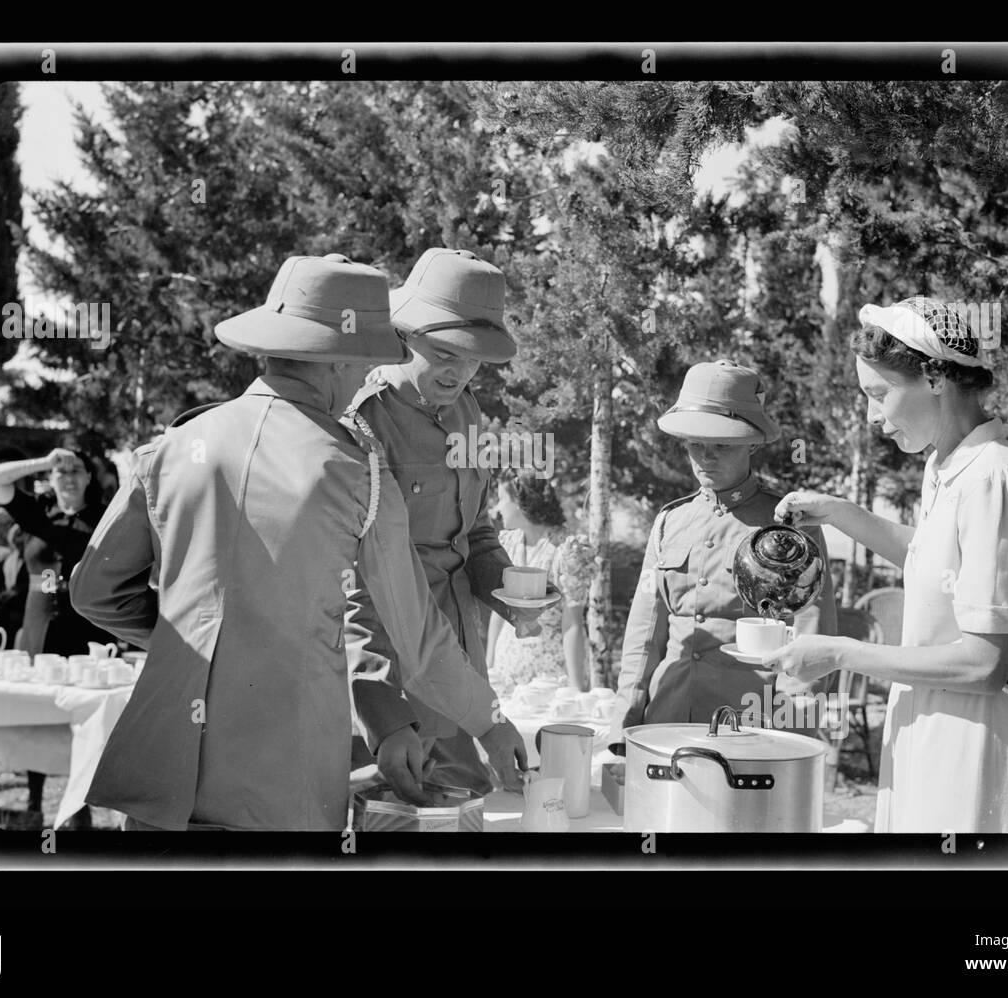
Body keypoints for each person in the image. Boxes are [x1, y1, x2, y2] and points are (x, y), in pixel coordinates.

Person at [69, 252, 528, 830]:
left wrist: (197, 649)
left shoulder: (173, 446)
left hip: (163, 774)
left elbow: (93, 593)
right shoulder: (358, 470)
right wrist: (490, 720)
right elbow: (419, 638)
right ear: (342, 361)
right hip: (284, 781)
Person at [767, 296, 1008, 833]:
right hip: (926, 725)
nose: (872, 416)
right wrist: (839, 514)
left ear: (936, 378)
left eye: (880, 394)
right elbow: (936, 564)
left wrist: (840, 653)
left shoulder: (996, 477)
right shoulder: (947, 469)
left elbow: (984, 664)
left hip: (973, 741)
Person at [345, 248, 555, 800]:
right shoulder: (364, 417)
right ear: (403, 334)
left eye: (473, 359)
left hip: (463, 663)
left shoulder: (468, 412)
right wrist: (385, 713)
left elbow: (474, 531)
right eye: (443, 352)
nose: (458, 371)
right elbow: (351, 580)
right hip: (393, 671)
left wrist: (508, 590)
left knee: (467, 809)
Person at [607, 360, 837, 753]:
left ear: (752, 443)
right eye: (695, 443)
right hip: (668, 723)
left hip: (752, 728)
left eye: (721, 445)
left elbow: (812, 635)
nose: (705, 457)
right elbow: (644, 635)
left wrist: (790, 741)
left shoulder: (790, 525)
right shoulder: (670, 521)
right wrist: (623, 726)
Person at [0, 442, 117, 823]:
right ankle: (33, 804)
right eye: (61, 470)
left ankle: (82, 808)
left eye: (76, 468)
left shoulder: (107, 518)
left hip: (86, 628)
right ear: (50, 477)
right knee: (37, 716)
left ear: (89, 477)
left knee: (83, 718)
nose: (69, 476)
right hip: (38, 627)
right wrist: (44, 460)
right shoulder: (37, 514)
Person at [487, 470, 593, 695]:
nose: (497, 508)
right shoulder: (507, 543)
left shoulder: (567, 550)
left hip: (551, 679)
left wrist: (575, 690)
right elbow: (498, 611)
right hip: (506, 675)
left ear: (520, 502)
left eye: (502, 499)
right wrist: (489, 665)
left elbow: (572, 622)